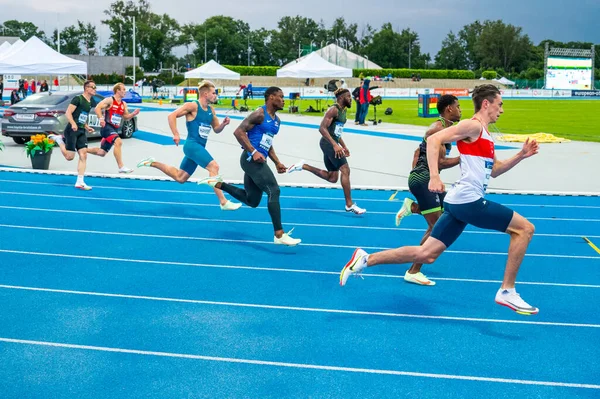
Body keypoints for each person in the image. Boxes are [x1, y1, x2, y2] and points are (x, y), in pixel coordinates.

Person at [340, 84, 540, 315]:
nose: (501, 110)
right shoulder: (472, 125)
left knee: (427, 255)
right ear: (487, 103)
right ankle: (507, 291)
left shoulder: (484, 134)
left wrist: (521, 155)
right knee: (524, 229)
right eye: (500, 104)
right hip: (468, 200)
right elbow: (434, 140)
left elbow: (495, 170)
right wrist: (434, 176)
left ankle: (366, 259)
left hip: (458, 202)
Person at [197, 86, 301, 246]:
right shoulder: (260, 114)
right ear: (271, 98)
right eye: (280, 97)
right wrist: (253, 152)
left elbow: (268, 143)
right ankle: (279, 234)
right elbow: (238, 132)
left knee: (252, 200)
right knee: (274, 190)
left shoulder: (277, 121)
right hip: (249, 159)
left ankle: (217, 183)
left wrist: (277, 162)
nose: (284, 100)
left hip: (259, 160)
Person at [137, 80, 241, 211]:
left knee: (180, 178)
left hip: (199, 148)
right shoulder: (193, 106)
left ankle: (152, 162)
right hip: (192, 145)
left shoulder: (211, 110)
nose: (216, 96)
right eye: (214, 93)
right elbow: (171, 116)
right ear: (205, 94)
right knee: (214, 166)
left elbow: (216, 129)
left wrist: (223, 125)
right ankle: (223, 202)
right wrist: (175, 134)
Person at [394, 95, 462, 286]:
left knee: (449, 213)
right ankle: (413, 270)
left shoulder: (445, 128)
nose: (460, 110)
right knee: (437, 227)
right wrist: (461, 159)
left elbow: (417, 152)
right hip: (425, 180)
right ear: (449, 109)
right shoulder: (438, 129)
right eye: (458, 107)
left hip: (425, 179)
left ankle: (414, 207)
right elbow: (439, 162)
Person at [286, 88, 366, 215]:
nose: (351, 99)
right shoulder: (333, 109)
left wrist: (343, 146)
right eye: (348, 96)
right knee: (345, 170)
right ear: (341, 98)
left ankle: (303, 166)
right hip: (328, 144)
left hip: (332, 143)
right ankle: (349, 204)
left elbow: (336, 132)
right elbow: (322, 128)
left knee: (332, 177)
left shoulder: (343, 111)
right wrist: (335, 145)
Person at [48, 80, 98, 190]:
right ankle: (59, 140)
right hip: (72, 130)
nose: (94, 89)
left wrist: (86, 126)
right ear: (86, 88)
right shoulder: (78, 99)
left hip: (81, 131)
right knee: (69, 157)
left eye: (95, 87)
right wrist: (73, 123)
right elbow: (68, 113)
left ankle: (80, 181)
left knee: (83, 154)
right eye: (92, 87)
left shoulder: (90, 102)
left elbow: (82, 116)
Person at [86, 83, 140, 173]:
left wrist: (133, 114)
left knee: (102, 152)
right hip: (106, 127)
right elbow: (97, 108)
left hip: (114, 129)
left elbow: (126, 117)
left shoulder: (123, 104)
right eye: (123, 89)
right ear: (118, 91)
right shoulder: (110, 100)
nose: (125, 91)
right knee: (118, 142)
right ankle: (121, 167)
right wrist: (101, 118)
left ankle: (82, 149)